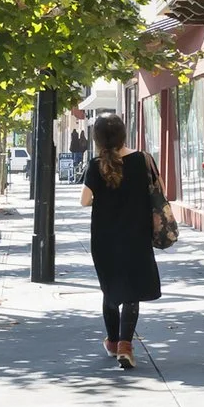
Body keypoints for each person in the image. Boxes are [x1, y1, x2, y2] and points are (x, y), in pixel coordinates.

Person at [78, 113, 160, 369]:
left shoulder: (95, 165)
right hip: (136, 234)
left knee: (111, 288)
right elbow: (160, 191)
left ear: (98, 138)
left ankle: (113, 342)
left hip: (105, 239)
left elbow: (84, 200)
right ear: (124, 134)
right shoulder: (142, 160)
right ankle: (126, 344)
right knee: (132, 289)